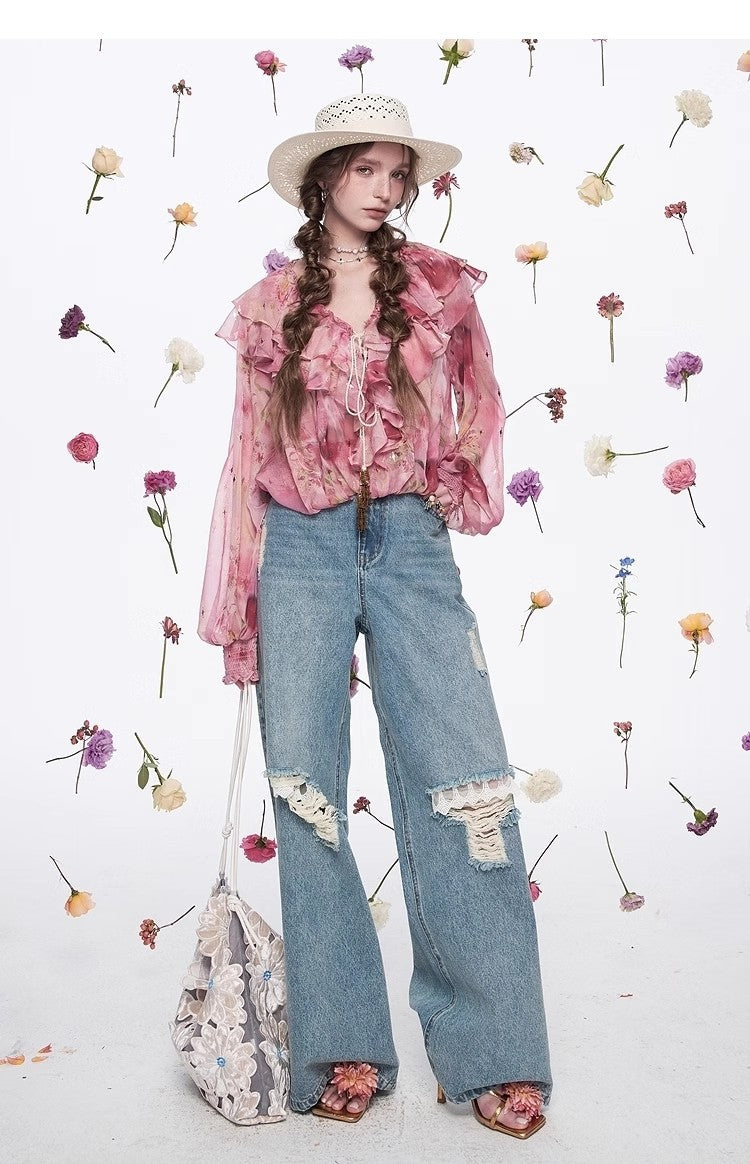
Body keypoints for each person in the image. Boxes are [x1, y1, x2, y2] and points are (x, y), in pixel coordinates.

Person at [197, 93, 552, 1138]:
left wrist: (449, 488)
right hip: (298, 546)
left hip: (409, 541)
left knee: (464, 786)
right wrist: (243, 592)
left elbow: (481, 403)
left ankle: (493, 1052)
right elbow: (242, 454)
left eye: (402, 174)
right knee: (306, 792)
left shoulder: (440, 288)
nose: (389, 190)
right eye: (369, 170)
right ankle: (342, 1042)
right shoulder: (270, 304)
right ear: (325, 181)